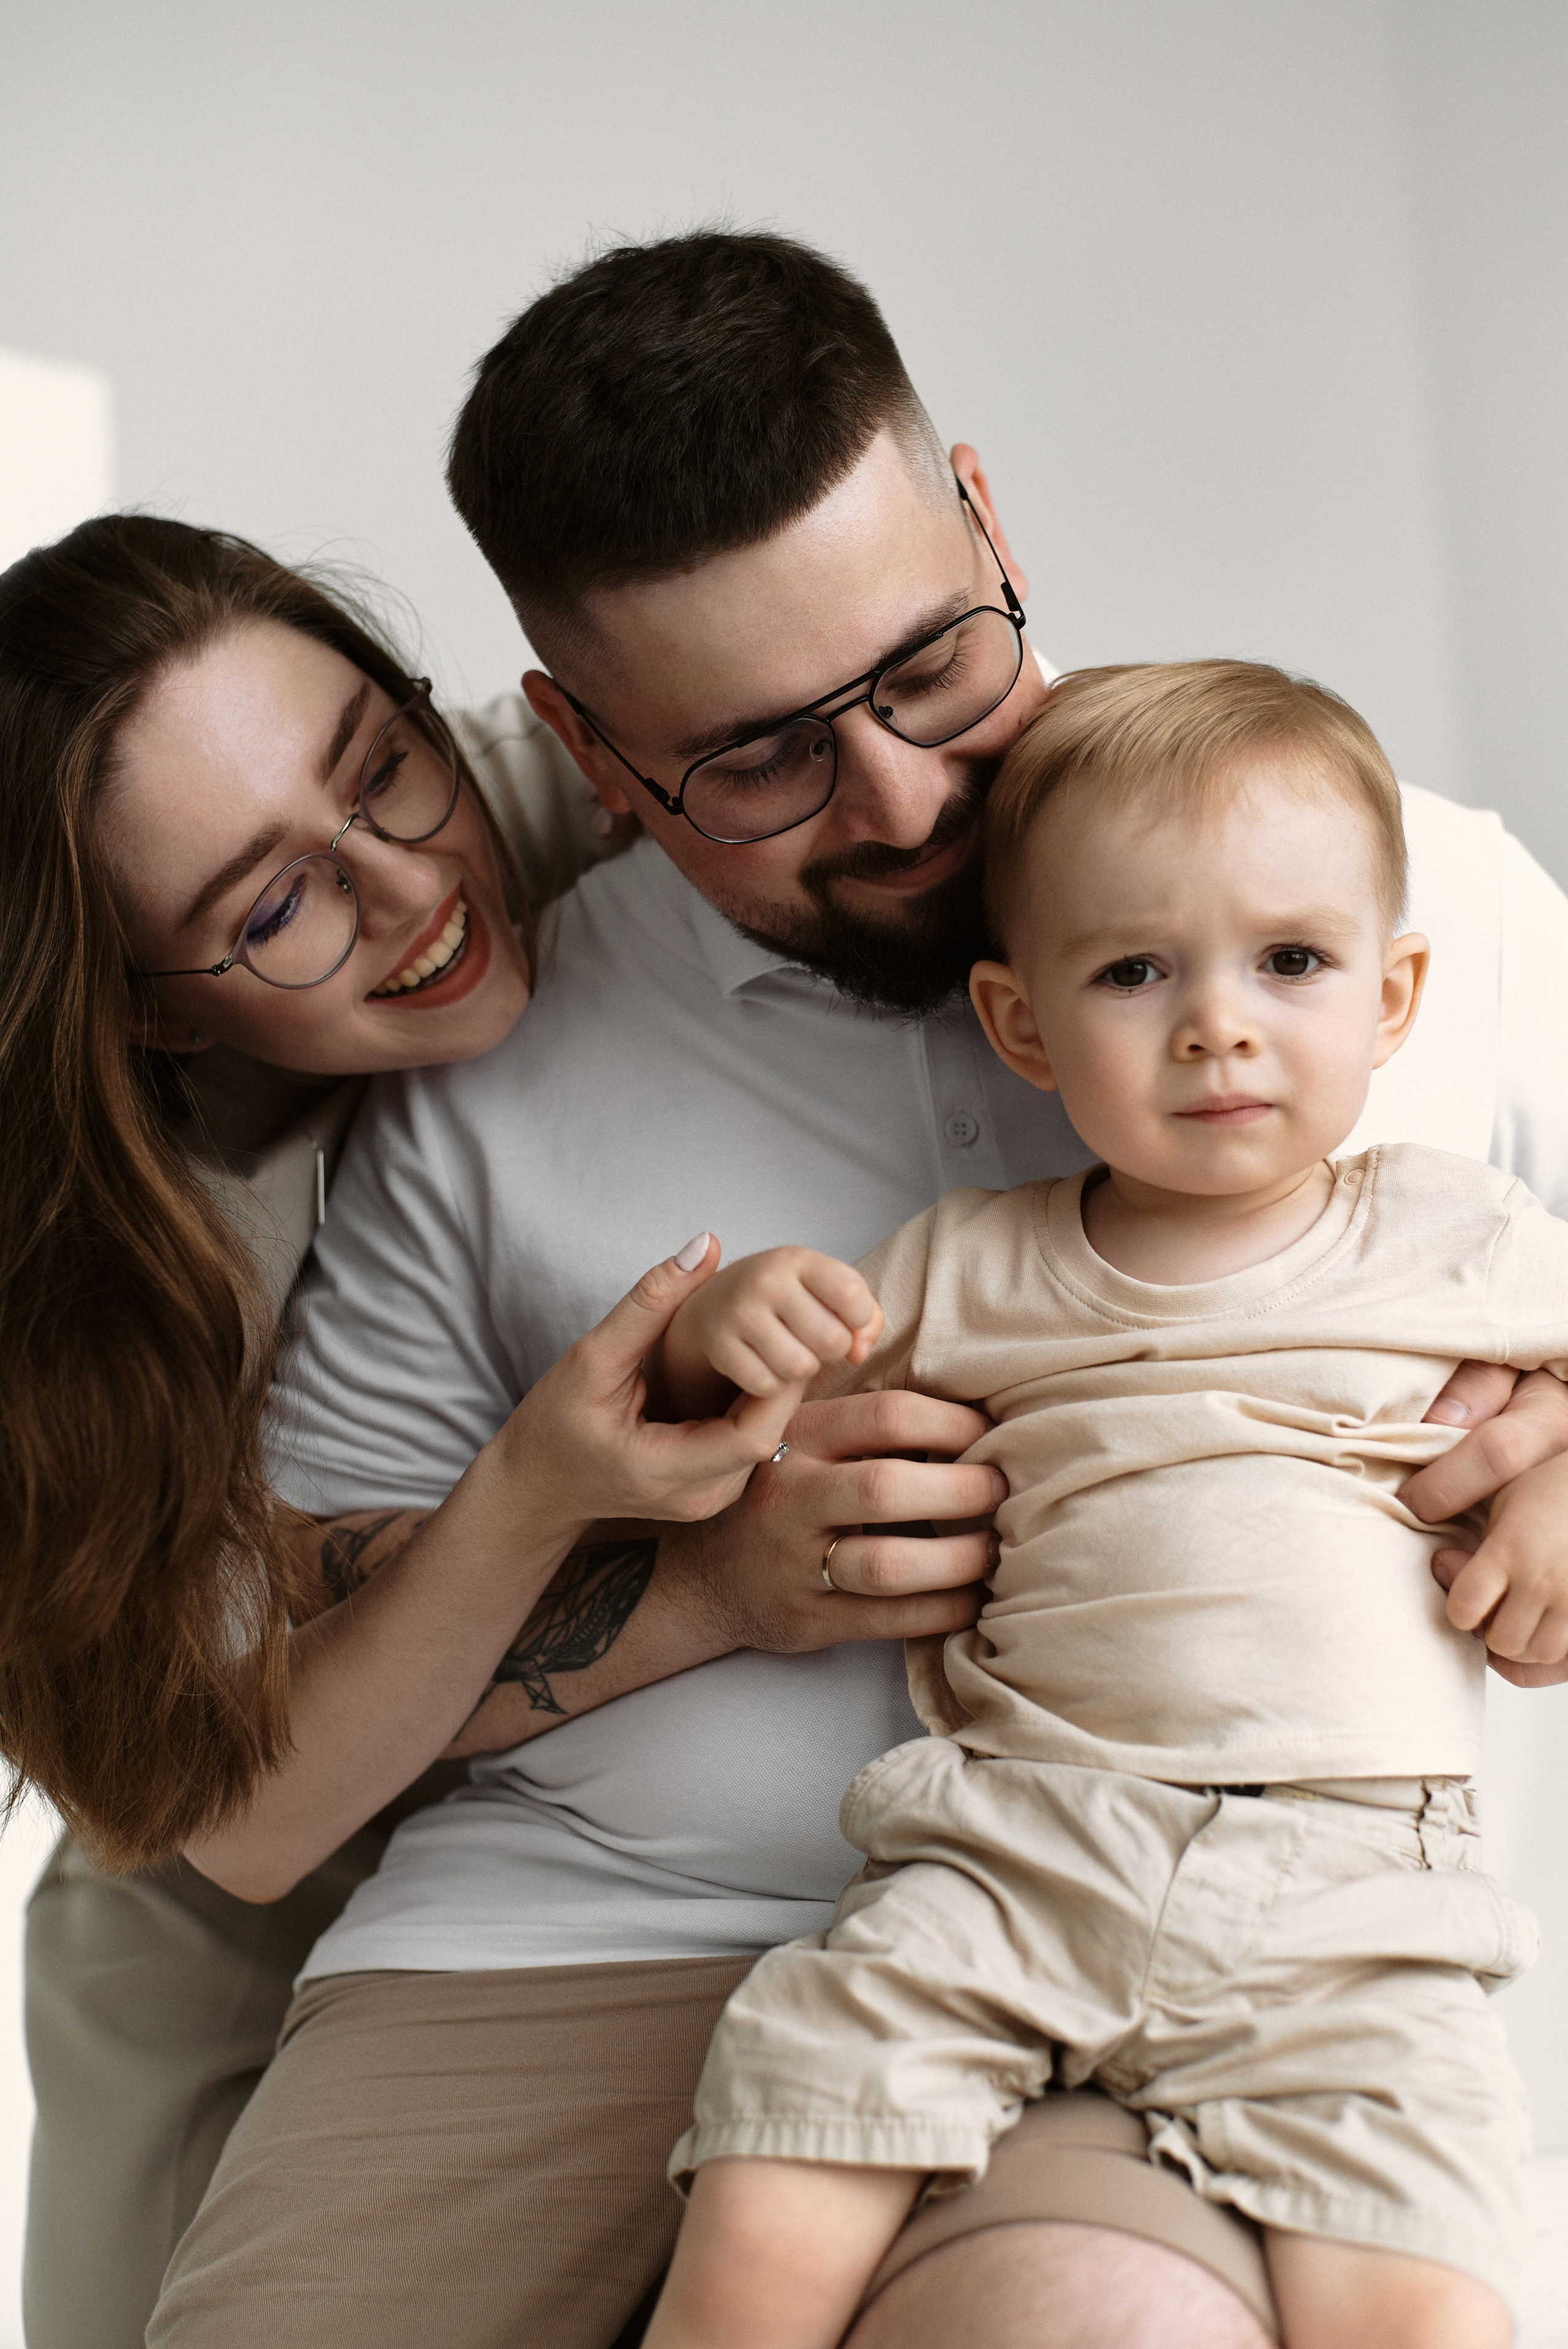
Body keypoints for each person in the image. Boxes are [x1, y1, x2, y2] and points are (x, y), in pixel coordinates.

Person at [145, 233, 1568, 2349]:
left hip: (1158, 1918)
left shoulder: (1394, 894)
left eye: (928, 672)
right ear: (587, 743)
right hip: (553, 1946)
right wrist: (698, 1569)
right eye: (757, 762)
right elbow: (282, 1680)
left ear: (987, 521)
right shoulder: (485, 1056)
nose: (904, 803)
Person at [644, 659, 1564, 2349]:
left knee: (1432, 2307)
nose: (1219, 1020)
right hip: (1013, 1840)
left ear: (1394, 994)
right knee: (771, 2191)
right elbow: (746, 1436)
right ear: (1022, 1025)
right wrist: (725, 1329)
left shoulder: (1460, 1232)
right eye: (1137, 969)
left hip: (1351, 1883)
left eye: (1292, 961)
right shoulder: (973, 1262)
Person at [1, 511, 833, 2349]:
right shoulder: (98, 1298)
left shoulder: (532, 800)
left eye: (381, 764)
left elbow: (1100, 797)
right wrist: (679, 1577)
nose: (406, 887)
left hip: (563, 1859)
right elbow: (244, 1808)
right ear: (142, 1008)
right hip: (221, 1905)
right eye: (272, 906)